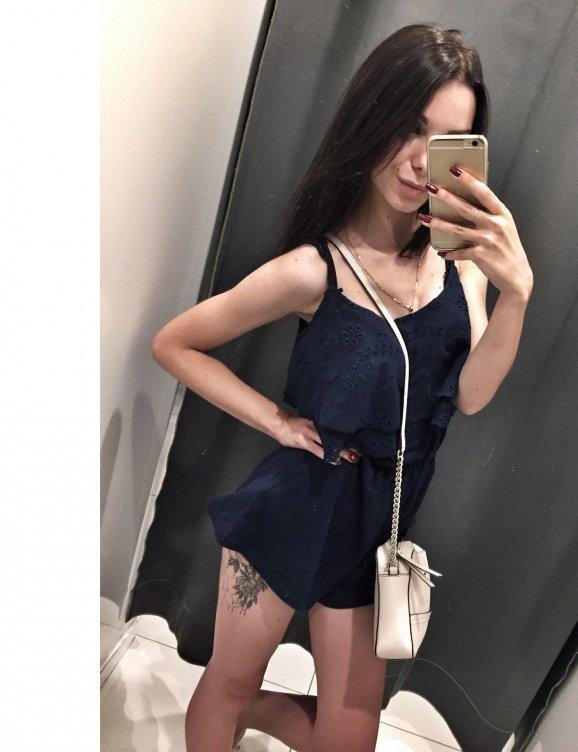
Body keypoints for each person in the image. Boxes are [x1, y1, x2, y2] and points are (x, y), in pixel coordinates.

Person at [150, 23, 533, 752]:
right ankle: (241, 706)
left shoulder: (462, 266)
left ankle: (254, 710)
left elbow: (472, 395)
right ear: (371, 118)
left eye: (445, 141)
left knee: (349, 739)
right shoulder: (313, 270)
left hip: (378, 528)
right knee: (228, 686)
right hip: (293, 511)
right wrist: (276, 421)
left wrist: (517, 293)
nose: (420, 160)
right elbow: (176, 343)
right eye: (408, 127)